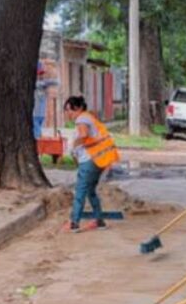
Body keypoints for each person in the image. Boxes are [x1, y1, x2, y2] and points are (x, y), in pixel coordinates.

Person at [64, 96, 120, 233]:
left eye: (68, 110)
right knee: (90, 191)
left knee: (80, 191)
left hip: (90, 161)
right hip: (97, 161)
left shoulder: (81, 119)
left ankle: (74, 222)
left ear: (77, 108)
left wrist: (73, 145)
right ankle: (99, 220)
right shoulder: (89, 117)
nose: (67, 113)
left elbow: (83, 135)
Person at [32, 61, 58, 139]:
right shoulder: (36, 84)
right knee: (36, 132)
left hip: (41, 113)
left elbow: (56, 82)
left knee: (37, 129)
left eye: (41, 74)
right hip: (34, 113)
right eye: (39, 74)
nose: (40, 75)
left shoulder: (43, 84)